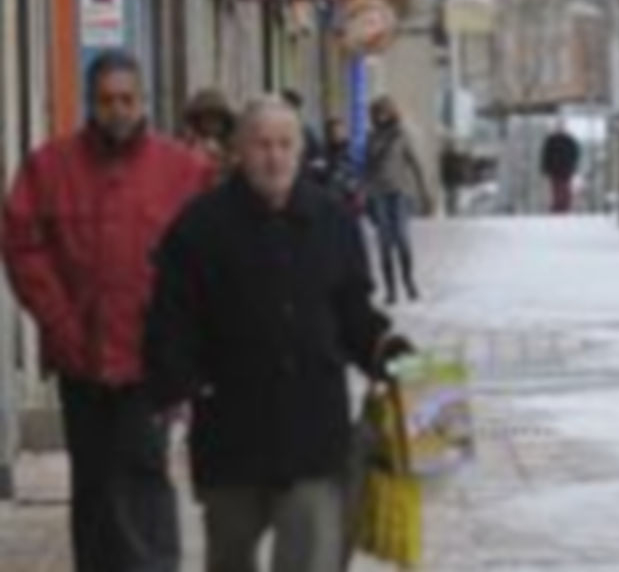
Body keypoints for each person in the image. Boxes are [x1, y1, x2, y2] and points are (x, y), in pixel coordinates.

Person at [144, 95, 411, 572]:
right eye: (262, 144)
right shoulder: (200, 227)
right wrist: (180, 384)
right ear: (239, 151)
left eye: (285, 144)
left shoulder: (332, 221)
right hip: (230, 434)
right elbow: (170, 319)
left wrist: (385, 350)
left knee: (312, 558)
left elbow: (353, 310)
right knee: (229, 559)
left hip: (312, 432)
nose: (274, 156)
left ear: (300, 151)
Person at [1, 49, 212, 572]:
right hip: (81, 356)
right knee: (94, 481)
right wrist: (59, 321)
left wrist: (187, 338)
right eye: (105, 100)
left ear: (143, 101)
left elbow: (208, 254)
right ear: (89, 104)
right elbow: (22, 245)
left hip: (151, 360)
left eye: (127, 99)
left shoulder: (182, 170)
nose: (117, 110)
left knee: (143, 475)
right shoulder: (49, 166)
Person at [364, 96, 432, 305]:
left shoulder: (402, 135)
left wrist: (424, 191)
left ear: (392, 112)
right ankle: (391, 290)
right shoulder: (372, 137)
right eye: (378, 112)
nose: (381, 116)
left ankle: (408, 282)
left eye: (385, 111)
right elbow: (367, 168)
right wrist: (365, 194)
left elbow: (415, 163)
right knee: (384, 243)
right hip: (378, 193)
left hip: (399, 193)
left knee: (402, 239)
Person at [183, 87, 237, 176]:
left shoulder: (233, 145)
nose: (212, 122)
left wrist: (221, 156)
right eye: (207, 117)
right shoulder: (189, 142)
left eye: (216, 117)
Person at [282, 88, 326, 183]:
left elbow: (319, 159)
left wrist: (307, 168)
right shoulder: (272, 129)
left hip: (302, 179)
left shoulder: (306, 130)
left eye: (290, 107)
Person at [324, 115, 364, 215]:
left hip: (348, 197)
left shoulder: (352, 150)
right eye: (333, 132)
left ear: (344, 132)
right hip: (330, 199)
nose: (336, 134)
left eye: (338, 131)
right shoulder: (324, 151)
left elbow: (357, 172)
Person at [540, 122, 581, 214]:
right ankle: (557, 207)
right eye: (558, 127)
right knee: (556, 189)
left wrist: (573, 165)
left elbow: (576, 154)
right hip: (554, 169)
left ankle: (565, 207)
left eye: (561, 127)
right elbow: (546, 155)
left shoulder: (569, 140)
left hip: (566, 169)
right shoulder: (551, 140)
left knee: (565, 188)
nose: (560, 129)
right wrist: (545, 168)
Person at [440, 138, 466, 218]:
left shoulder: (450, 157)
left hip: (452, 179)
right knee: (451, 195)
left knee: (453, 195)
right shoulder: (447, 157)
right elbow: (444, 168)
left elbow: (459, 168)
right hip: (450, 179)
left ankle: (453, 210)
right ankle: (451, 210)